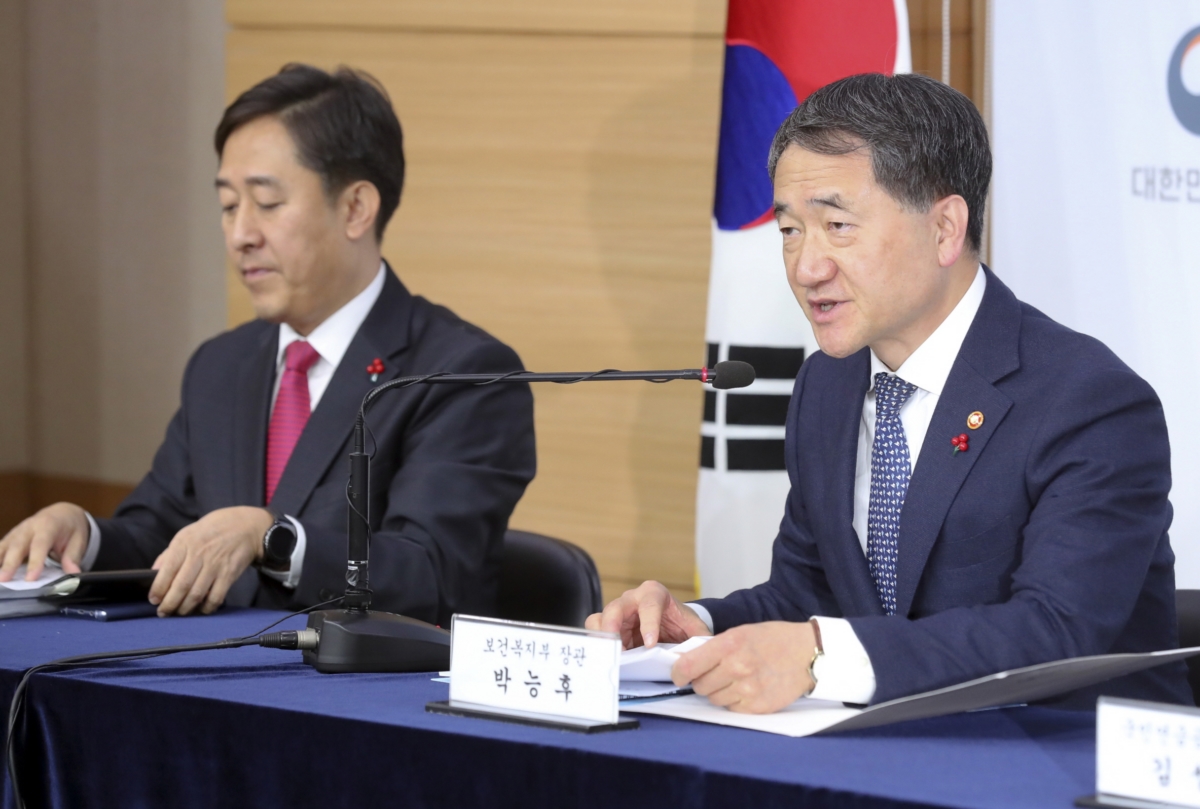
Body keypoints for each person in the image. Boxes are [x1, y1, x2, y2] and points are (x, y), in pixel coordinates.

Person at [588, 73, 1192, 713]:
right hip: (889, 745)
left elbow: (1056, 630)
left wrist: (819, 657)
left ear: (945, 229)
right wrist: (697, 626)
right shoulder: (828, 383)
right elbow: (807, 596)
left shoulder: (1088, 402)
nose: (806, 267)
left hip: (1064, 751)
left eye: (837, 225)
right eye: (790, 230)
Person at [0, 64, 536, 625]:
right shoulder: (221, 365)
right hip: (206, 668)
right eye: (229, 206)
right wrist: (83, 536)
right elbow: (162, 534)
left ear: (355, 208)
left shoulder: (463, 373)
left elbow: (429, 576)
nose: (240, 235)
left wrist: (272, 537)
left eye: (267, 202)